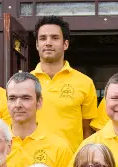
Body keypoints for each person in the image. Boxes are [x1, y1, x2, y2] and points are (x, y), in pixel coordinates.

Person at [31, 16, 98, 149]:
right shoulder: (25, 83)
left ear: (65, 44)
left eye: (55, 38)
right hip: (33, 164)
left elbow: (88, 131)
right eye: (43, 38)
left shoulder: (84, 83)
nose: (48, 43)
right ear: (37, 45)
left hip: (70, 164)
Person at [5, 71, 73, 167]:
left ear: (39, 102)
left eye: (26, 98)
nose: (18, 104)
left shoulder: (59, 148)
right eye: (12, 98)